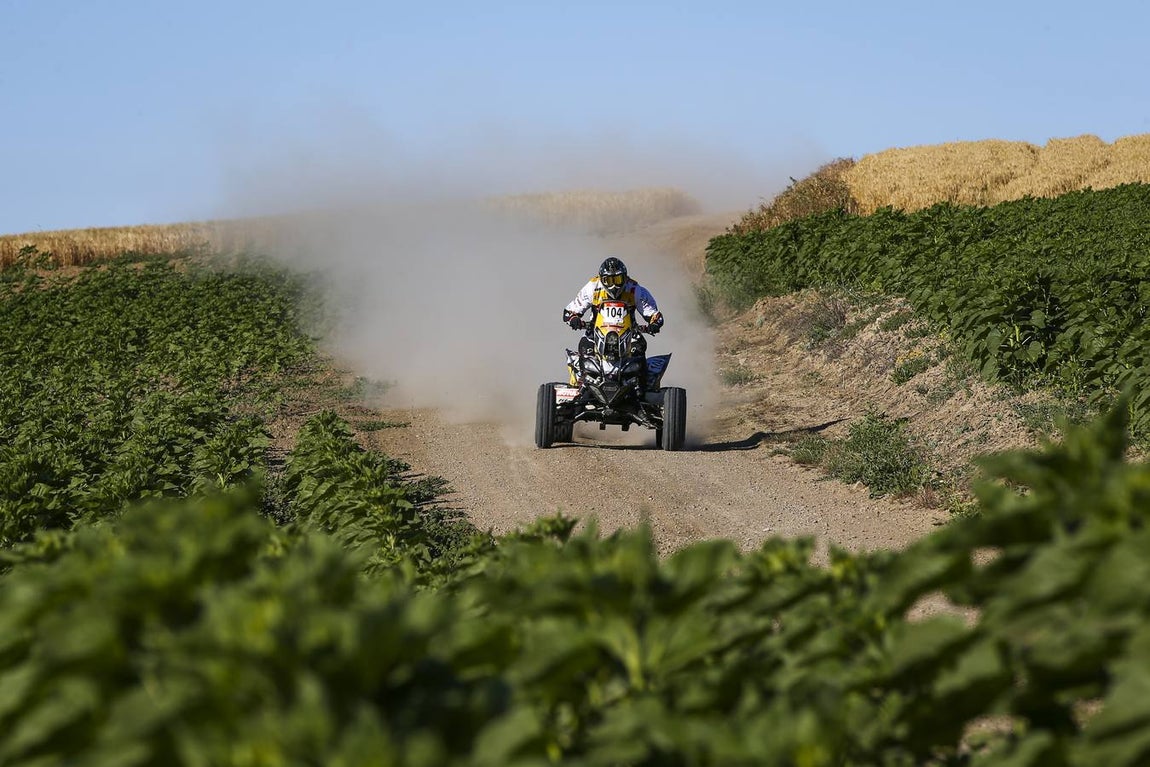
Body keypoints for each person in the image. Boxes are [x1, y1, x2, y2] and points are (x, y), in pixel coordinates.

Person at [563, 257, 664, 386]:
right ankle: (581, 383)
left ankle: (642, 386)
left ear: (625, 278)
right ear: (601, 279)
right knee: (585, 347)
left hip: (629, 334)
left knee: (639, 348)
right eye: (609, 280)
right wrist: (574, 319)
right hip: (595, 333)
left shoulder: (634, 289)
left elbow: (654, 314)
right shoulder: (592, 287)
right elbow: (569, 311)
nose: (613, 285)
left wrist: (654, 324)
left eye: (617, 280)